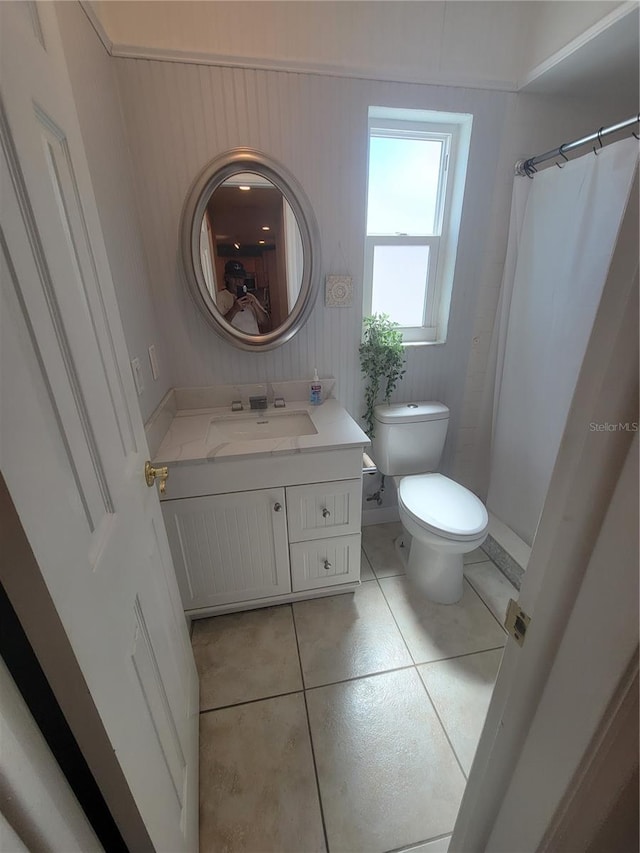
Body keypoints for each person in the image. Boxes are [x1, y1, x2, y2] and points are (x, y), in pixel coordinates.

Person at [216, 260, 270, 334]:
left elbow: (265, 322)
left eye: (241, 278)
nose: (238, 281)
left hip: (254, 342)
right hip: (234, 344)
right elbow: (218, 327)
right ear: (227, 278)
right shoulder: (220, 297)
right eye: (234, 278)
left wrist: (254, 304)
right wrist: (234, 309)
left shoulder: (250, 296)